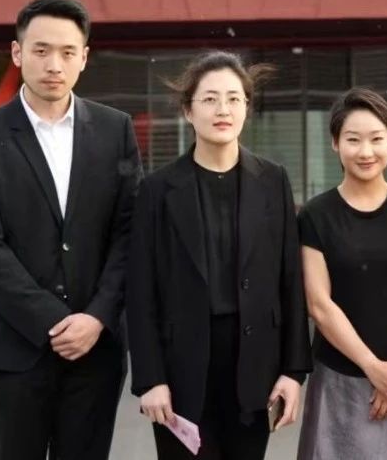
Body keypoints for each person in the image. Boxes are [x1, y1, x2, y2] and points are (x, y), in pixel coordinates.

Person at [0, 0, 142, 460]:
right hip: (12, 347)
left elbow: (129, 233)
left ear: (84, 58)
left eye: (67, 52)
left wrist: (96, 317)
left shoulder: (115, 130)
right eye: (40, 50)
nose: (54, 65)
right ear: (17, 53)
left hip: (95, 349)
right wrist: (55, 322)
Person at [127, 51, 311, 460]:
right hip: (181, 369)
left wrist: (293, 371)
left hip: (255, 366)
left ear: (247, 107)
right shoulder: (158, 189)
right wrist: (150, 379)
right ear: (188, 111)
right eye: (209, 99)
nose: (222, 110)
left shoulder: (273, 180)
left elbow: (290, 280)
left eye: (233, 98)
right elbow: (140, 291)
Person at [296, 88, 387, 460]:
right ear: (335, 143)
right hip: (338, 378)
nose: (366, 152)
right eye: (353, 140)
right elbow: (318, 304)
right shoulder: (316, 215)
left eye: (376, 139)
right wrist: (371, 366)